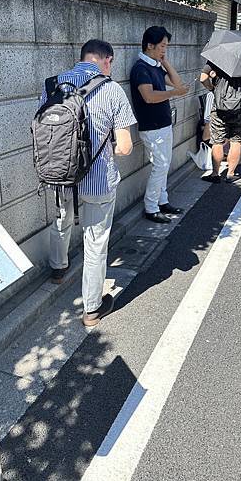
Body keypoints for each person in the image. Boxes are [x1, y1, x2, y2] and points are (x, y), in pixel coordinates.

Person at [39, 39, 137, 327]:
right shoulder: (112, 90)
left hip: (60, 175)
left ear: (83, 58)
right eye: (111, 63)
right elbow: (125, 147)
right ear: (106, 60)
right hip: (97, 182)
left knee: (61, 221)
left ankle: (58, 269)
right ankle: (92, 309)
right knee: (95, 244)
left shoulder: (52, 85)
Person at [130, 26, 188, 224]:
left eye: (166, 46)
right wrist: (174, 94)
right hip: (152, 126)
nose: (164, 50)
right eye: (162, 46)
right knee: (160, 166)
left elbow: (177, 84)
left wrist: (166, 62)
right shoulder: (140, 68)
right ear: (150, 45)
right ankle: (151, 207)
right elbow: (148, 96)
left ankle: (162, 202)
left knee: (164, 166)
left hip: (163, 124)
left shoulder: (154, 66)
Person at [200, 63, 241, 183]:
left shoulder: (218, 57)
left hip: (220, 107)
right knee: (236, 141)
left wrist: (212, 88)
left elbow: (203, 78)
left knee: (217, 141)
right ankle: (231, 174)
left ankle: (215, 174)